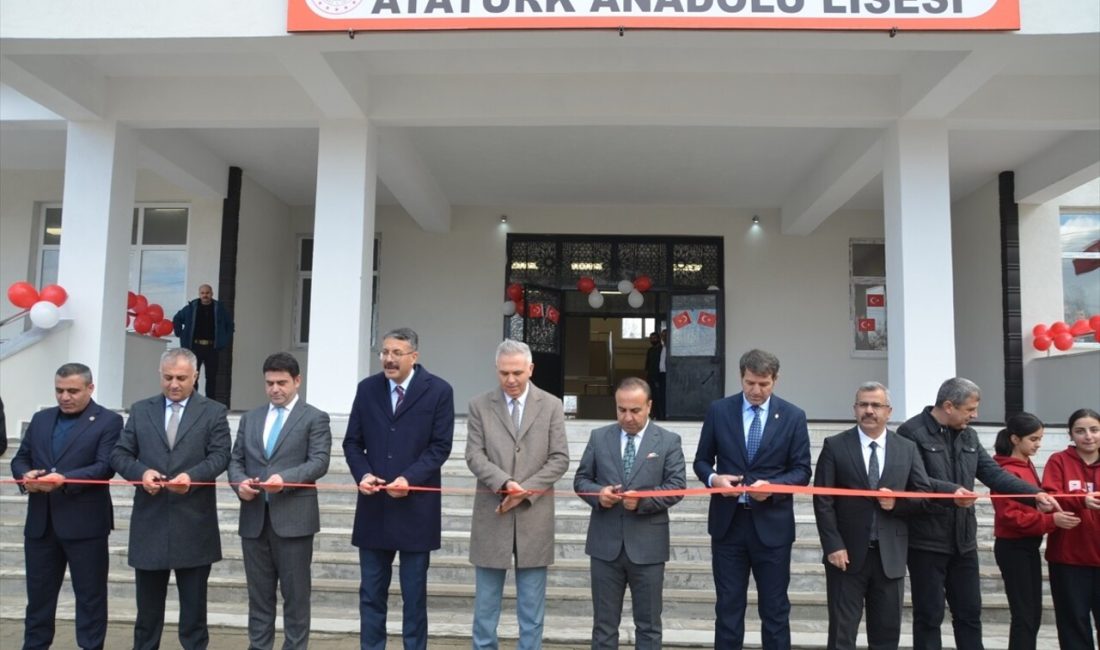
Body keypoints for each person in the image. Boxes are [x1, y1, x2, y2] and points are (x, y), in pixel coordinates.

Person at [898, 377, 1059, 650]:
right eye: (970, 409)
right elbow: (916, 481)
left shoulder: (969, 435)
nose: (975, 415)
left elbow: (993, 474)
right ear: (949, 406)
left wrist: (1034, 495)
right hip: (926, 541)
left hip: (964, 542)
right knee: (929, 615)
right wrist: (953, 493)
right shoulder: (910, 432)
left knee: (970, 614)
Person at [110, 347, 232, 650]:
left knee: (193, 616)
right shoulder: (141, 410)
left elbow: (220, 456)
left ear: (196, 376)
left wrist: (192, 478)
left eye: (181, 378)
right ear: (159, 375)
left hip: (194, 524)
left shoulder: (214, 411)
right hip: (150, 522)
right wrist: (141, 474)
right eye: (168, 378)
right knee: (147, 616)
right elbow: (120, 453)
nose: (174, 384)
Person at [692, 348, 812, 650]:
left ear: (775, 379)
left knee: (774, 610)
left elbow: (801, 470)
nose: (756, 391)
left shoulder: (793, 416)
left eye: (764, 384)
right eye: (750, 383)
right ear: (741, 377)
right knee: (728, 608)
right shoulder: (720, 410)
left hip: (772, 527)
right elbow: (701, 461)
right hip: (728, 526)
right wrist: (714, 479)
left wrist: (772, 486)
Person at [343, 327, 455, 650]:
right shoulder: (367, 390)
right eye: (384, 352)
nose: (388, 360)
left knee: (414, 598)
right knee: (371, 595)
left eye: (396, 353)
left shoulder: (438, 391)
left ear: (414, 357)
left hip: (416, 509)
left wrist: (410, 478)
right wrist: (362, 474)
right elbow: (352, 442)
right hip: (374, 508)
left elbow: (440, 447)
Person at [464, 339, 570, 650]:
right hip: (492, 514)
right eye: (504, 373)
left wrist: (524, 492)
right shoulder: (479, 405)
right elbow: (474, 455)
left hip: (533, 516)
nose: (510, 380)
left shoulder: (551, 405)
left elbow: (560, 458)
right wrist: (505, 483)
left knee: (532, 610)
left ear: (531, 369)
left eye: (517, 373)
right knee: (485, 609)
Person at [812, 382, 933, 650]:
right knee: (842, 635)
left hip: (890, 556)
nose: (869, 410)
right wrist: (833, 545)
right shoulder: (835, 445)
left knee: (886, 635)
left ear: (888, 411)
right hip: (846, 556)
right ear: (854, 409)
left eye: (876, 405)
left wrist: (896, 504)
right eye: (863, 404)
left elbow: (923, 496)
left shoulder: (907, 448)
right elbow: (823, 499)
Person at [10, 363, 122, 650]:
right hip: (41, 525)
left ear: (90, 388)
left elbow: (104, 466)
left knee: (90, 599)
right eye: (59, 390)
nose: (65, 397)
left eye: (73, 391)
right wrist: (27, 476)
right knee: (38, 601)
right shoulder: (41, 419)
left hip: (85, 526)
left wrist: (65, 479)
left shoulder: (108, 421)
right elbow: (20, 458)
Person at [227, 352, 332, 650]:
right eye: (270, 383)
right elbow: (236, 460)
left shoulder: (314, 418)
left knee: (296, 597)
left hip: (294, 520)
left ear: (297, 381)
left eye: (282, 382)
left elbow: (319, 462)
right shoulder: (251, 418)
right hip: (254, 520)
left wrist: (285, 480)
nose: (275, 389)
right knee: (259, 596)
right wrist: (239, 483)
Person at [574, 377, 686, 650]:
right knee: (603, 626)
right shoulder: (599, 437)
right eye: (621, 409)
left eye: (635, 410)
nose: (627, 417)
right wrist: (599, 495)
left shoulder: (668, 441)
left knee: (648, 627)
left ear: (649, 406)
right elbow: (581, 480)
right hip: (605, 546)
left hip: (647, 548)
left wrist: (643, 501)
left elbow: (676, 487)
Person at [992, 412, 1074, 650]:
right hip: (1013, 547)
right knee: (1025, 616)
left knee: (1031, 614)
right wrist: (1051, 521)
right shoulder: (1006, 471)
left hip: (1028, 546)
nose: (1039, 444)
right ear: (1015, 439)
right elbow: (1011, 517)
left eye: (1040, 439)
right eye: (1034, 439)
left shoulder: (1025, 465)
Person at [1041, 408, 1100, 650]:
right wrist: (1081, 499)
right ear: (1071, 435)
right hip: (1068, 559)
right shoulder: (1059, 461)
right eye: (1080, 431)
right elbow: (1050, 495)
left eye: (1094, 430)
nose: (1088, 436)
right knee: (1072, 623)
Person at [172, 284, 234, 402]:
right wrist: (180, 333)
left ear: (212, 293)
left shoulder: (219, 308)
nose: (205, 295)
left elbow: (230, 326)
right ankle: (193, 402)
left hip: (212, 348)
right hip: (195, 347)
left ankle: (210, 403)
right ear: (199, 294)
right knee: (193, 376)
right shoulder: (191, 308)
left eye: (207, 293)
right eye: (202, 293)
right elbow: (177, 319)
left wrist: (224, 340)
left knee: (211, 378)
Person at [644, 331, 665, 420]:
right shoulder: (650, 350)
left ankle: (661, 416)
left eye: (654, 338)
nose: (652, 340)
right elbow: (647, 365)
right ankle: (654, 415)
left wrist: (657, 379)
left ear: (659, 339)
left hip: (659, 378)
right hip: (650, 378)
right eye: (651, 338)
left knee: (659, 398)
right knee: (650, 398)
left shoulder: (662, 349)